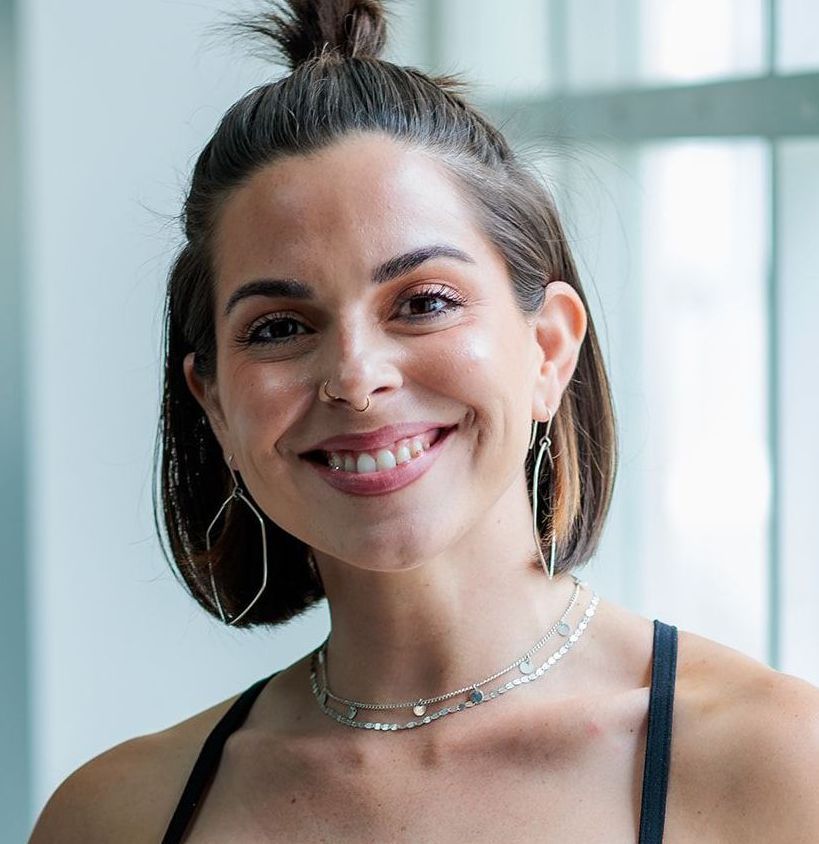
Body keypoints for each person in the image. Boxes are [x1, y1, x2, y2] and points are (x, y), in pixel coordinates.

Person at [30, 1, 819, 841]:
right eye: (279, 327)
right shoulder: (114, 816)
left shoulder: (779, 768)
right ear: (216, 404)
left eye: (423, 303)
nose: (356, 379)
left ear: (548, 349)